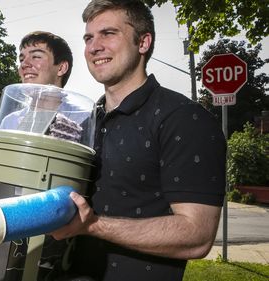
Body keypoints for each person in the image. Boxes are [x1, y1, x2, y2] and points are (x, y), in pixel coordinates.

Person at [49, 1, 226, 280]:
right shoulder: (86, 121)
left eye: (108, 33)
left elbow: (198, 235)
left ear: (143, 42)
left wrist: (93, 226)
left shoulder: (185, 119)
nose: (94, 46)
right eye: (88, 37)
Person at [0, 30, 74, 198]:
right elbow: (0, 182)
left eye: (36, 56)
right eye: (21, 59)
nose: (24, 64)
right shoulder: (10, 122)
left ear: (61, 67)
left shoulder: (81, 120)